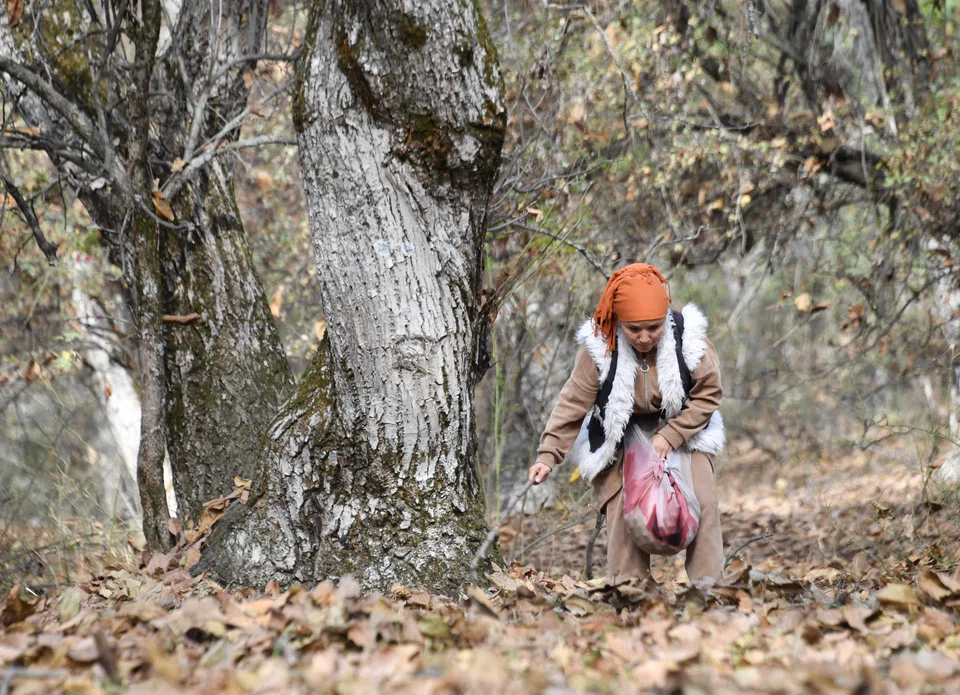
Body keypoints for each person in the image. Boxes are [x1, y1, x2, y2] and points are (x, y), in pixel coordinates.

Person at [527, 263, 725, 582]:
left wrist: (671, 435)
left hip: (685, 426)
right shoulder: (599, 347)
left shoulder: (689, 340)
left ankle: (711, 592)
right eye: (635, 329)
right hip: (618, 435)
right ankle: (631, 598)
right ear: (619, 323)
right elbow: (572, 403)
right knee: (622, 512)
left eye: (653, 327)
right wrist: (548, 454)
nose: (644, 337)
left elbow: (709, 396)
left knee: (704, 502)